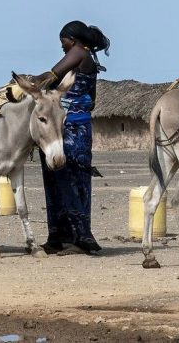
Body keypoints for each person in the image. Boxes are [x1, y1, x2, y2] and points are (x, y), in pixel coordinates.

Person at [34, 21, 110, 256]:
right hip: (75, 127)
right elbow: (93, 100)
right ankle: (60, 237)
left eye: (63, 41)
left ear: (73, 40)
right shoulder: (89, 61)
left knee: (70, 181)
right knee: (61, 180)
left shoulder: (78, 53)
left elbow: (50, 76)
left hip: (72, 130)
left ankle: (77, 239)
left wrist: (25, 84)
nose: (62, 46)